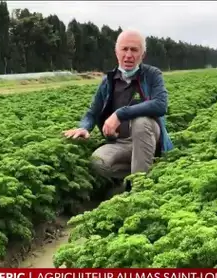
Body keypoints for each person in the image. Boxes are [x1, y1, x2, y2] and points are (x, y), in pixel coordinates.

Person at [63, 29, 173, 193]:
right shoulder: (108, 81)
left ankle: (138, 190)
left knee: (141, 122)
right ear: (117, 52)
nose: (128, 55)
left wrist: (120, 114)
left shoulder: (152, 75)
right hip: (122, 143)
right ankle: (145, 169)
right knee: (98, 161)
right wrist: (84, 127)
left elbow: (160, 105)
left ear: (142, 54)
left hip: (149, 137)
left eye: (134, 50)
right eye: (124, 49)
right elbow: (92, 112)